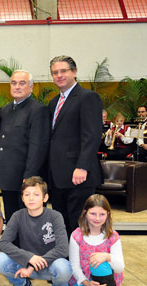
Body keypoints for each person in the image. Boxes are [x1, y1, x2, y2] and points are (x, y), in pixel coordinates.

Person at [0, 176, 71, 286]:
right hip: (25, 267)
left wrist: (32, 265)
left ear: (45, 198)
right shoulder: (18, 216)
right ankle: (21, 285)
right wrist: (29, 258)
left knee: (64, 267)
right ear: (22, 198)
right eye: (27, 194)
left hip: (50, 266)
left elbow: (63, 248)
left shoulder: (55, 216)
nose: (31, 198)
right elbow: (3, 244)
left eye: (36, 194)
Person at [48, 55, 103, 238]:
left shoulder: (88, 97)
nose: (59, 75)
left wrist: (82, 166)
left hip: (78, 176)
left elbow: (92, 135)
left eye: (64, 71)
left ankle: (80, 264)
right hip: (57, 177)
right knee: (62, 225)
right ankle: (65, 263)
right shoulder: (53, 102)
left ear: (74, 72)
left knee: (79, 225)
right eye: (55, 72)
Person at [0, 70, 49, 222]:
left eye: (22, 83)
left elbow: (38, 146)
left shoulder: (38, 110)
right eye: (14, 83)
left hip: (25, 179)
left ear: (31, 87)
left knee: (27, 222)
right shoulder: (5, 110)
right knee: (12, 220)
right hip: (7, 178)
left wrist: (29, 176)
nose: (17, 87)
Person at [69, 194, 124, 286]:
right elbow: (74, 266)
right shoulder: (76, 235)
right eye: (93, 213)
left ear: (108, 215)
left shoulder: (113, 236)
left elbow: (120, 268)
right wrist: (87, 283)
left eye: (102, 214)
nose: (97, 218)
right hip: (83, 281)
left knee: (99, 260)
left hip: (105, 281)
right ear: (85, 213)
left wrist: (107, 257)